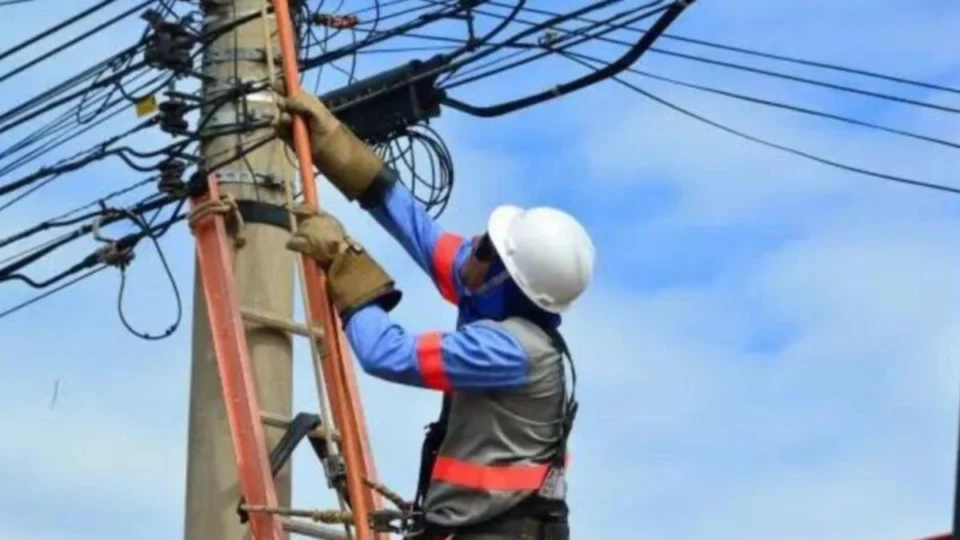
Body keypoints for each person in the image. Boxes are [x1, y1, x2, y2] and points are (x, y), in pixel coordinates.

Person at [275, 88, 595, 540]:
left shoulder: (509, 350)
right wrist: (334, 146)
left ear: (509, 280)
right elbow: (422, 234)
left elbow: (386, 353)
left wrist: (345, 261)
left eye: (486, 247)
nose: (471, 249)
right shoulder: (496, 296)